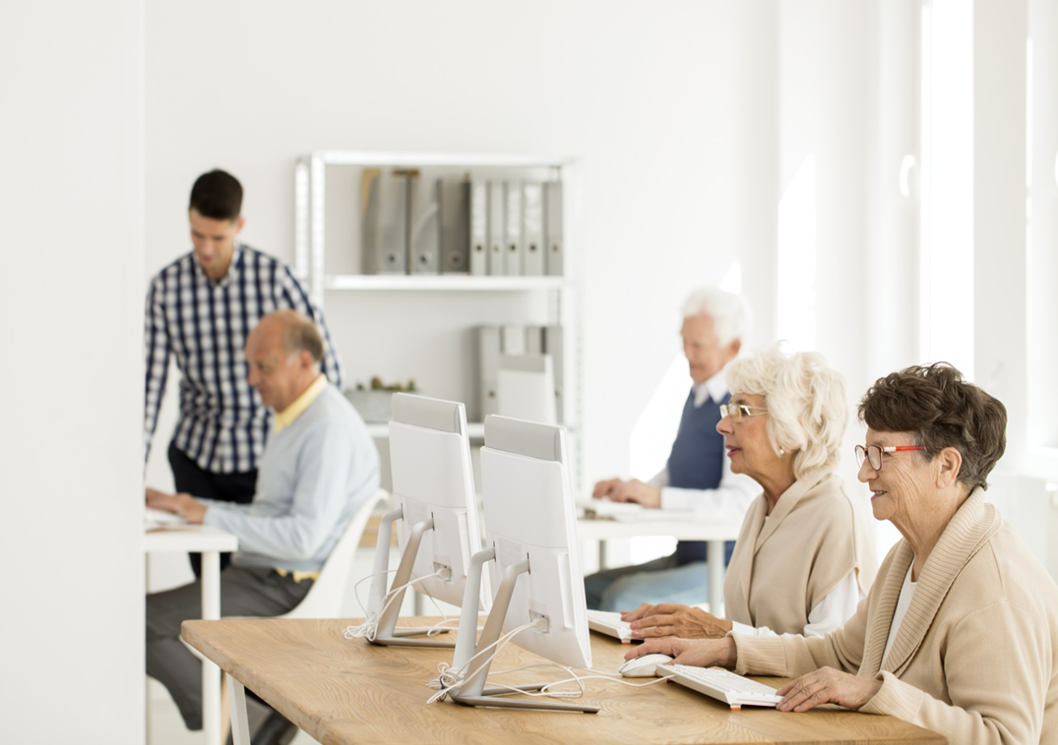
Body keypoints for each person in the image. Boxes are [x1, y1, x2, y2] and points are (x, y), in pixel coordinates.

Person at [627, 364, 1058, 744]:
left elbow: (1004, 738)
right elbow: (838, 655)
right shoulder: (907, 555)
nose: (863, 472)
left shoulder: (995, 587)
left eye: (881, 455)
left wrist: (874, 692)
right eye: (865, 453)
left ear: (946, 466)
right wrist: (728, 650)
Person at [145, 310, 379, 742]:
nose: (252, 379)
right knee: (145, 619)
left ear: (304, 362)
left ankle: (253, 718)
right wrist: (193, 505)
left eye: (263, 366)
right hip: (262, 573)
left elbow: (301, 537)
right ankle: (250, 715)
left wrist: (210, 516)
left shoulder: (326, 428)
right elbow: (272, 514)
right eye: (250, 365)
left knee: (141, 621)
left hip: (283, 581)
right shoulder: (295, 415)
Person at [144, 169, 343, 576]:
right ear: (189, 219)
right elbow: (150, 387)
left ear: (239, 226)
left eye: (217, 238)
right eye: (197, 235)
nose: (206, 248)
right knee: (208, 587)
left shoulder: (273, 278)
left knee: (253, 579)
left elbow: (325, 365)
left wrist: (323, 445)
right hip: (195, 455)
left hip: (261, 456)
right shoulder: (166, 287)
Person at [623, 344, 876, 640]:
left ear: (793, 428)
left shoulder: (836, 515)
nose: (721, 426)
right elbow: (750, 632)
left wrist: (715, 632)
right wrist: (684, 630)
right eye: (726, 410)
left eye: (741, 411)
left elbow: (830, 655)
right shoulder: (762, 507)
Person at [584, 287, 758, 611]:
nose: (687, 353)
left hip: (724, 563)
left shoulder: (737, 408)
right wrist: (635, 490)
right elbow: (679, 471)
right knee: (586, 589)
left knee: (619, 599)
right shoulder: (697, 397)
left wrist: (658, 498)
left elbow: (738, 504)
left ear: (733, 347)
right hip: (687, 555)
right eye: (684, 341)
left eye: (698, 345)